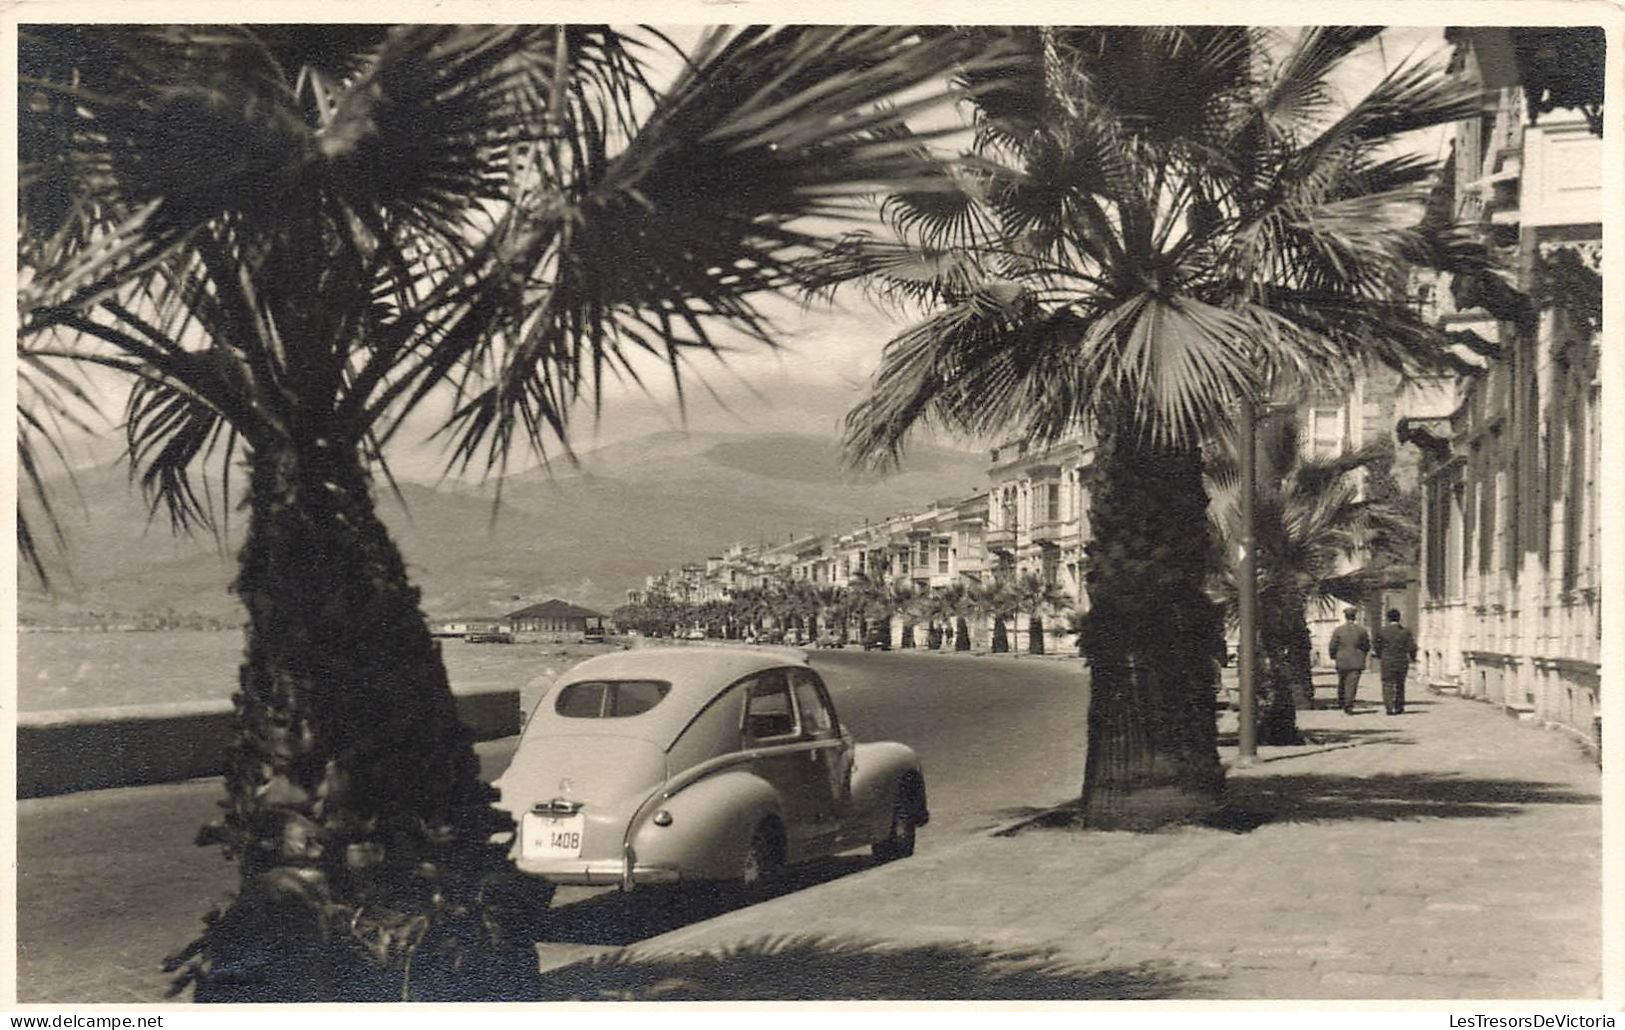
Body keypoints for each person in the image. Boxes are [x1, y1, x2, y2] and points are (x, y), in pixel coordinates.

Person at [1373, 608, 1419, 715]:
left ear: (1388, 618)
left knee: (1387, 683)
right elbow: (1412, 647)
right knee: (1400, 684)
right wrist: (1413, 658)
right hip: (1401, 660)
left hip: (1387, 661)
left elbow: (1376, 646)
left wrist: (1381, 656)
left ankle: (1389, 707)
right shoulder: (1405, 632)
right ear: (1399, 618)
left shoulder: (1382, 631)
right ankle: (1399, 706)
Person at [1327, 607, 1371, 714]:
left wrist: (1333, 656)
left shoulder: (1338, 630)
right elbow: (1366, 645)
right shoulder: (1361, 630)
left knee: (1342, 682)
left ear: (1345, 616)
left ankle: (1342, 701)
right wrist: (1363, 654)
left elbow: (1332, 645)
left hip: (1341, 660)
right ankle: (1349, 704)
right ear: (1355, 617)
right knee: (1352, 684)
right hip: (1356, 661)